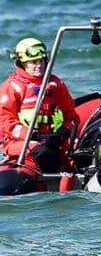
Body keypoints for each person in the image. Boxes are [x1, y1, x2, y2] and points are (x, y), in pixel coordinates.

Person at [0, 37, 77, 173]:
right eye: (33, 62)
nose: (39, 65)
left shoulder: (56, 85)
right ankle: (54, 186)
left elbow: (70, 115)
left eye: (41, 61)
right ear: (23, 63)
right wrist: (34, 136)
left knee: (80, 152)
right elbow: (6, 122)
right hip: (19, 141)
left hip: (53, 138)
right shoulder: (12, 87)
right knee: (44, 152)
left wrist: (62, 133)